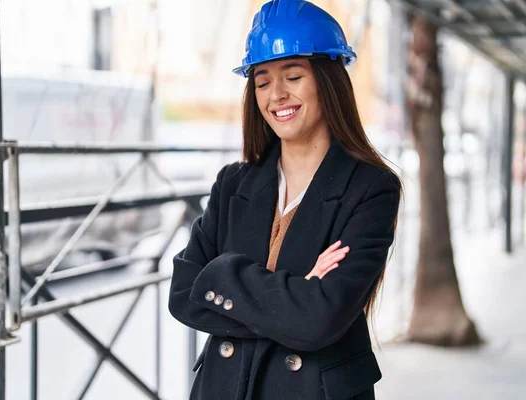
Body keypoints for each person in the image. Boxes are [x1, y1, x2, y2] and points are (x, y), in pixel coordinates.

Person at [168, 0, 402, 399]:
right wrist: (298, 293)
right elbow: (183, 293)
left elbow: (320, 320)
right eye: (262, 82)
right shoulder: (232, 183)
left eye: (293, 76)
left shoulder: (371, 188)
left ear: (328, 81)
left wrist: (223, 275)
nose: (276, 95)